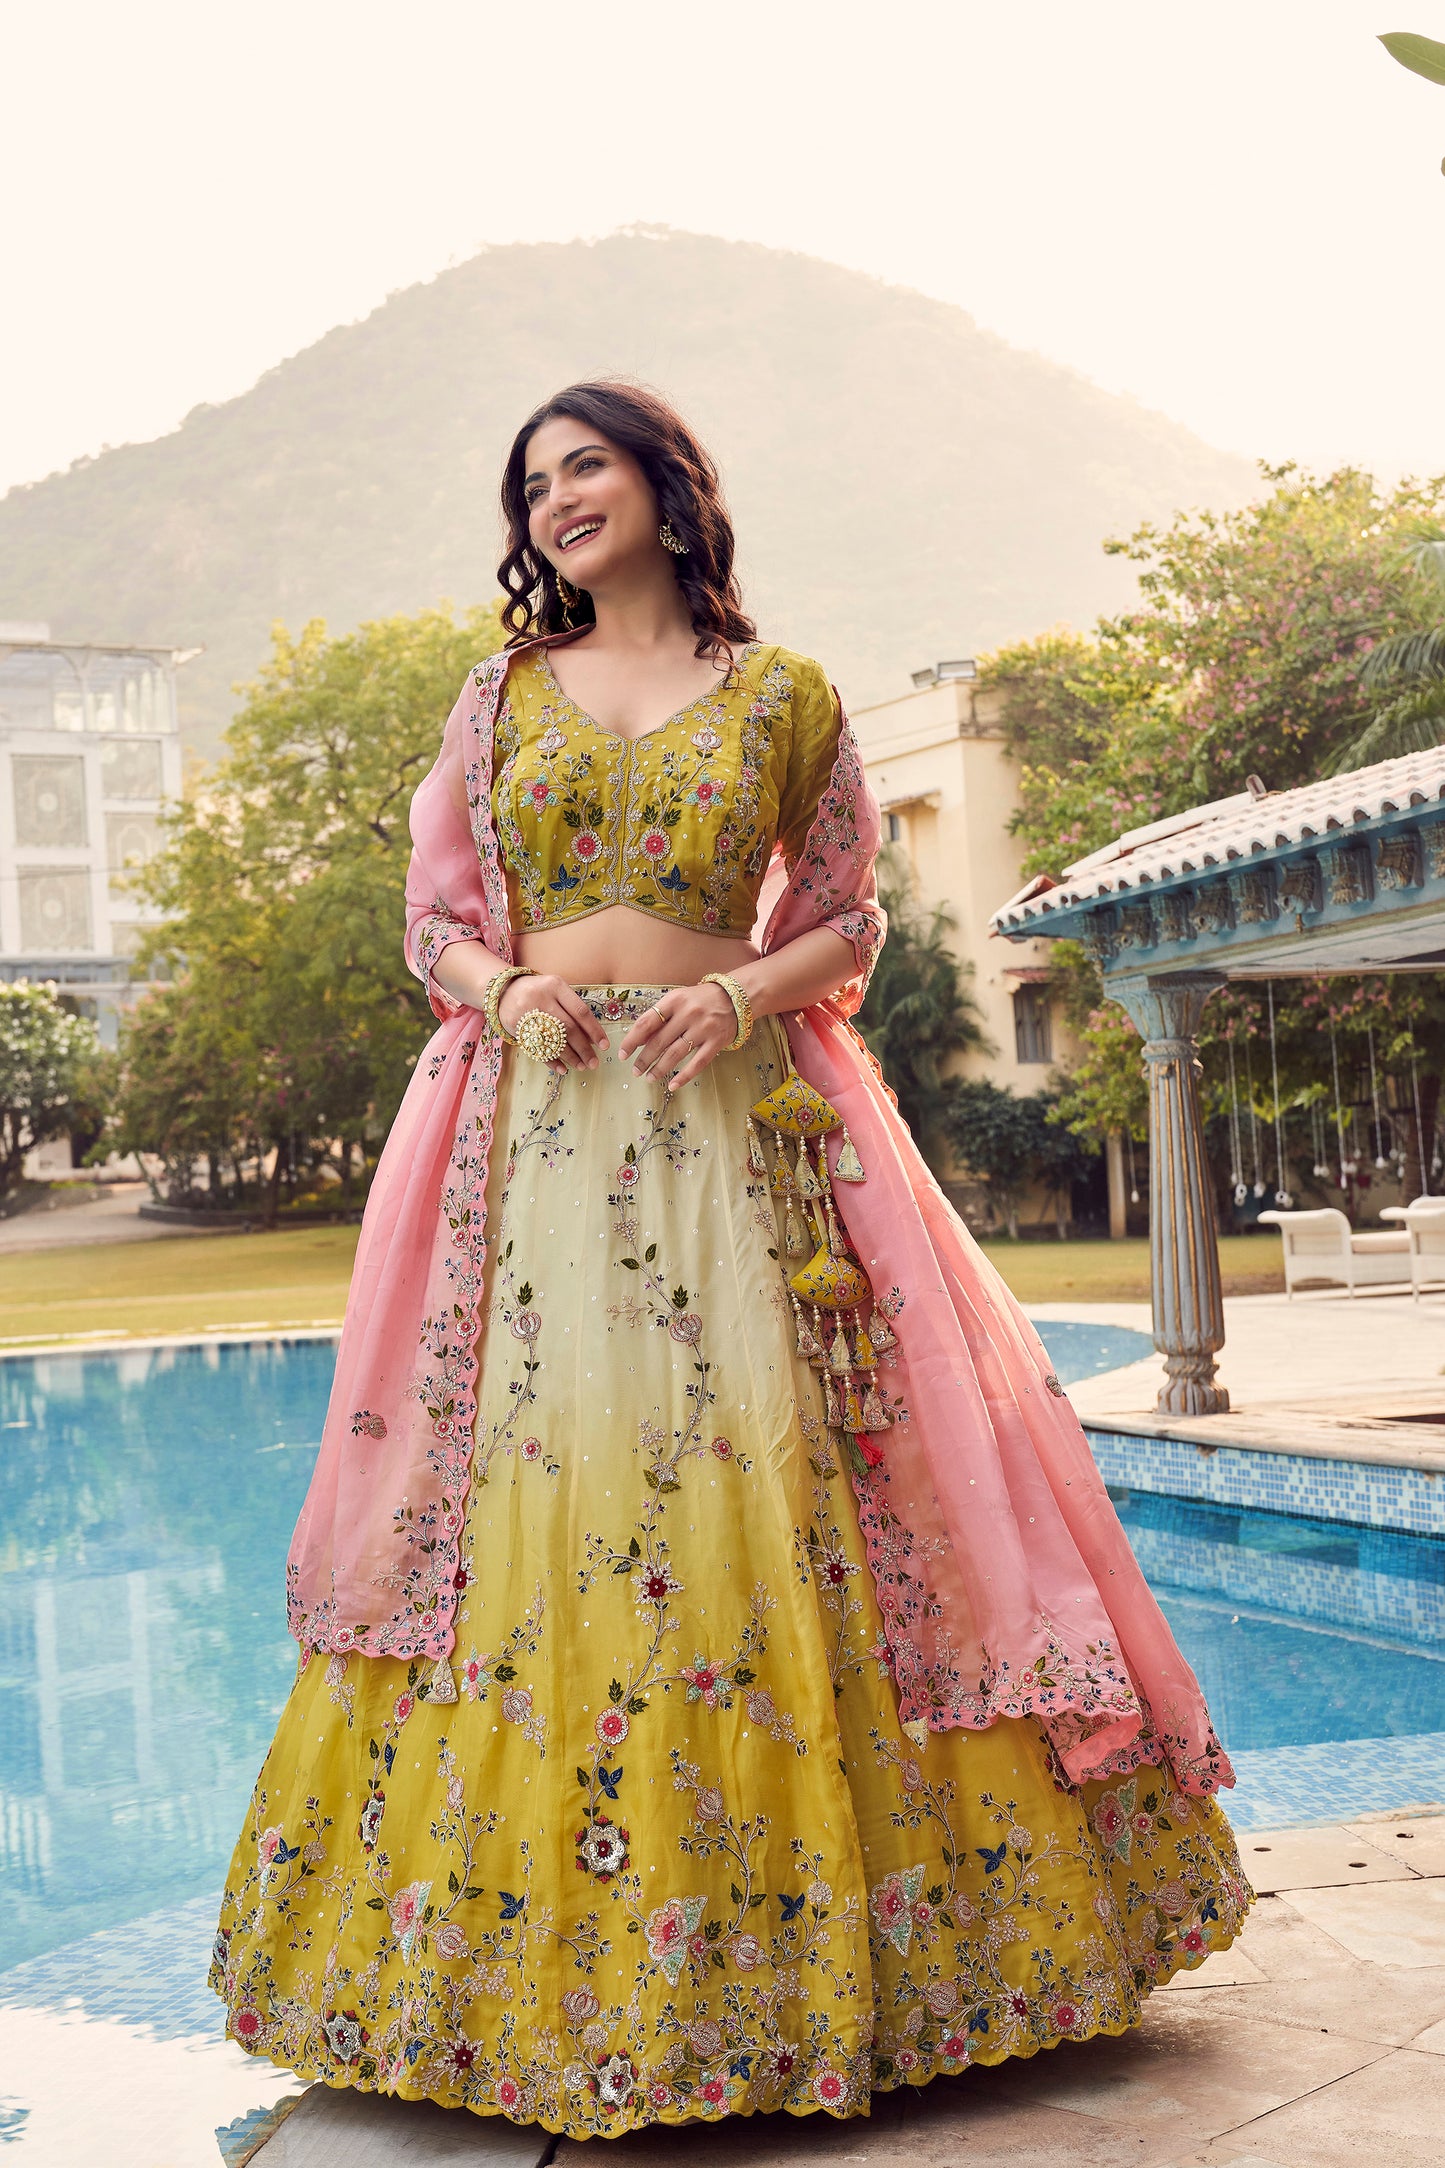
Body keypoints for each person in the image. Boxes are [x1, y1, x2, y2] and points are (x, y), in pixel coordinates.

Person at [212, 381, 1250, 2138]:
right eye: (529, 481)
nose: (554, 499)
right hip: (534, 1136)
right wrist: (509, 990)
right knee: (528, 1494)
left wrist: (731, 993)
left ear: (662, 481)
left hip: (734, 1124)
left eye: (583, 465)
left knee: (781, 1477)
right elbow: (435, 927)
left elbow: (848, 909)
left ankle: (841, 1963)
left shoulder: (784, 696)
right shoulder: (494, 703)